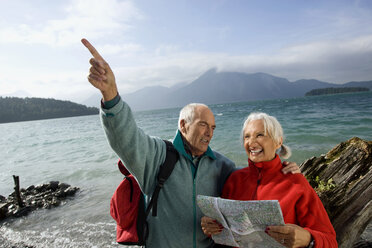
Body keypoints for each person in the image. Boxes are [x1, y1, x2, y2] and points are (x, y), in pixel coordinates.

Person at [81, 38, 300, 248]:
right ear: (183, 125)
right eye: (203, 125)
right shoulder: (158, 155)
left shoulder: (222, 166)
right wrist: (110, 94)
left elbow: (251, 183)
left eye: (213, 128)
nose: (209, 133)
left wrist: (282, 170)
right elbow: (126, 138)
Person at [201, 112, 338, 248]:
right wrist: (211, 228)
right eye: (247, 137)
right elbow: (224, 230)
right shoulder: (234, 180)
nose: (251, 143)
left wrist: (308, 239)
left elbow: (330, 241)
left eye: (260, 135)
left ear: (278, 141)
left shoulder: (296, 183)